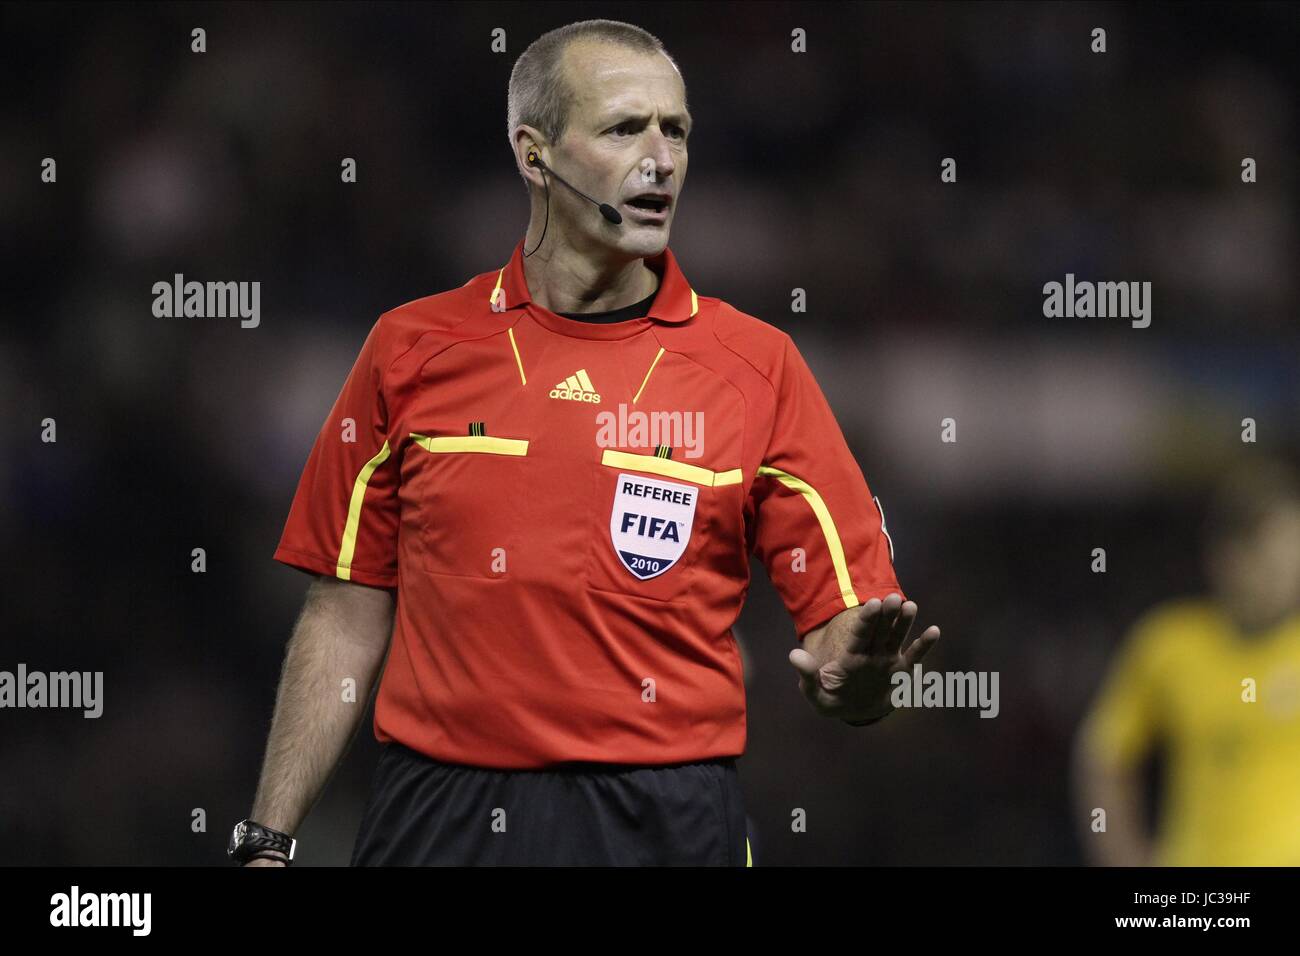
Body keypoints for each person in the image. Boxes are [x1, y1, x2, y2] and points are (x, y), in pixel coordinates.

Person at [231, 18, 939, 868]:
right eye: (622, 128)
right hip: (439, 815)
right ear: (534, 156)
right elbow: (344, 613)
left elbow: (844, 630)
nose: (661, 158)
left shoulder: (756, 368)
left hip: (665, 818)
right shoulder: (410, 350)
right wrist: (268, 838)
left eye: (675, 130)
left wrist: (860, 688)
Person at [1074, 458, 1300, 865]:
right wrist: (1123, 857)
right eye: (1276, 555)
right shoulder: (1169, 645)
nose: (1289, 572)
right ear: (1230, 556)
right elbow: (1102, 756)